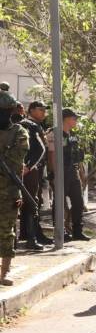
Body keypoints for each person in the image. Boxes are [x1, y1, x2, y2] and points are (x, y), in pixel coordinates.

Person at [0, 90, 29, 285]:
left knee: (7, 231)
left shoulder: (19, 133)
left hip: (8, 190)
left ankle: (4, 273)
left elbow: (17, 163)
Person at [46, 108, 88, 241]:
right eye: (74, 118)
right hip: (60, 171)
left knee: (78, 201)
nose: (76, 121)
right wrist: (53, 173)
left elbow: (77, 155)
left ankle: (77, 231)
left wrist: (81, 172)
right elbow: (52, 155)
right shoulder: (54, 133)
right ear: (66, 118)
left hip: (72, 171)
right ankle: (60, 231)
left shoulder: (72, 134)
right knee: (59, 202)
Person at [18, 101, 48, 250]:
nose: (44, 112)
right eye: (41, 109)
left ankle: (26, 234)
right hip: (29, 171)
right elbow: (40, 149)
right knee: (31, 202)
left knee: (24, 201)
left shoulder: (23, 124)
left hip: (25, 169)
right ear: (31, 110)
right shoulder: (31, 125)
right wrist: (29, 166)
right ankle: (31, 237)